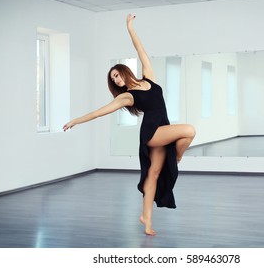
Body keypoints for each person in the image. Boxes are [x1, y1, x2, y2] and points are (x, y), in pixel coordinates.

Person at [63, 14, 195, 236]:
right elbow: (98, 112)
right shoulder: (127, 97)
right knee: (189, 130)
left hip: (163, 129)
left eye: (117, 75)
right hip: (152, 134)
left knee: (153, 174)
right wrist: (75, 120)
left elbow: (140, 50)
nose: (115, 80)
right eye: (113, 79)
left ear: (125, 72)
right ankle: (178, 156)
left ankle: (147, 220)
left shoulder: (149, 78)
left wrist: (130, 27)